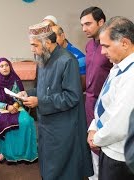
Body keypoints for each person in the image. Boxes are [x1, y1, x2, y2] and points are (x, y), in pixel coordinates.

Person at [22, 21, 93, 180]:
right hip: (47, 125)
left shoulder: (67, 60)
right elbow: (43, 89)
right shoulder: (43, 58)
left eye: (34, 45)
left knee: (63, 171)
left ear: (47, 42)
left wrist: (40, 102)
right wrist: (27, 94)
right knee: (48, 167)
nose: (32, 49)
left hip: (64, 127)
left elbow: (72, 96)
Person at [87, 16, 134, 180]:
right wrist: (93, 126)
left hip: (119, 154)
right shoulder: (118, 66)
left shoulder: (131, 76)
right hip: (107, 145)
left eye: (106, 46)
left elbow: (121, 123)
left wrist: (96, 137)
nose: (102, 51)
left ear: (125, 43)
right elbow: (104, 101)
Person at [80, 7, 113, 180]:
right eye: (82, 25)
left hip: (107, 103)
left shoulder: (111, 46)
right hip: (90, 101)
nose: (84, 28)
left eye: (88, 24)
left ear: (101, 22)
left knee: (106, 145)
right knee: (92, 143)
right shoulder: (88, 45)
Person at [0, 57, 38, 162]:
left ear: (10, 66)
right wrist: (6, 107)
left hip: (15, 105)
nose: (5, 68)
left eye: (6, 65)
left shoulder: (15, 79)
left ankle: (26, 153)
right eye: (1, 66)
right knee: (4, 121)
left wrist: (15, 105)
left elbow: (21, 95)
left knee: (26, 121)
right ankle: (7, 153)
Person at [51, 25, 86, 91]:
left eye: (54, 37)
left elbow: (82, 86)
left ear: (63, 36)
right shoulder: (51, 54)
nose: (52, 41)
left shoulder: (79, 57)